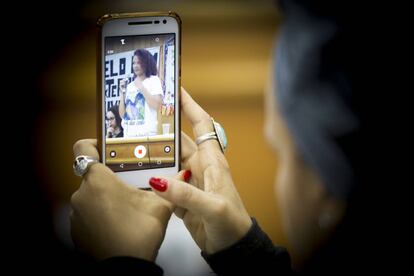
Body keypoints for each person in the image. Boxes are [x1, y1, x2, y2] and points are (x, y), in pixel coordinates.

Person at [70, 1, 382, 274]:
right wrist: (242, 251)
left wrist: (122, 266)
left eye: (280, 152)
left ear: (325, 194)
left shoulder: (151, 82)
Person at [119, 48, 163, 136]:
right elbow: (123, 115)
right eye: (134, 63)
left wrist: (141, 87)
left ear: (146, 63)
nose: (135, 66)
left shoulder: (154, 80)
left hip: (147, 134)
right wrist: (122, 92)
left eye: (139, 62)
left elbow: (157, 105)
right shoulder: (130, 85)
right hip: (128, 135)